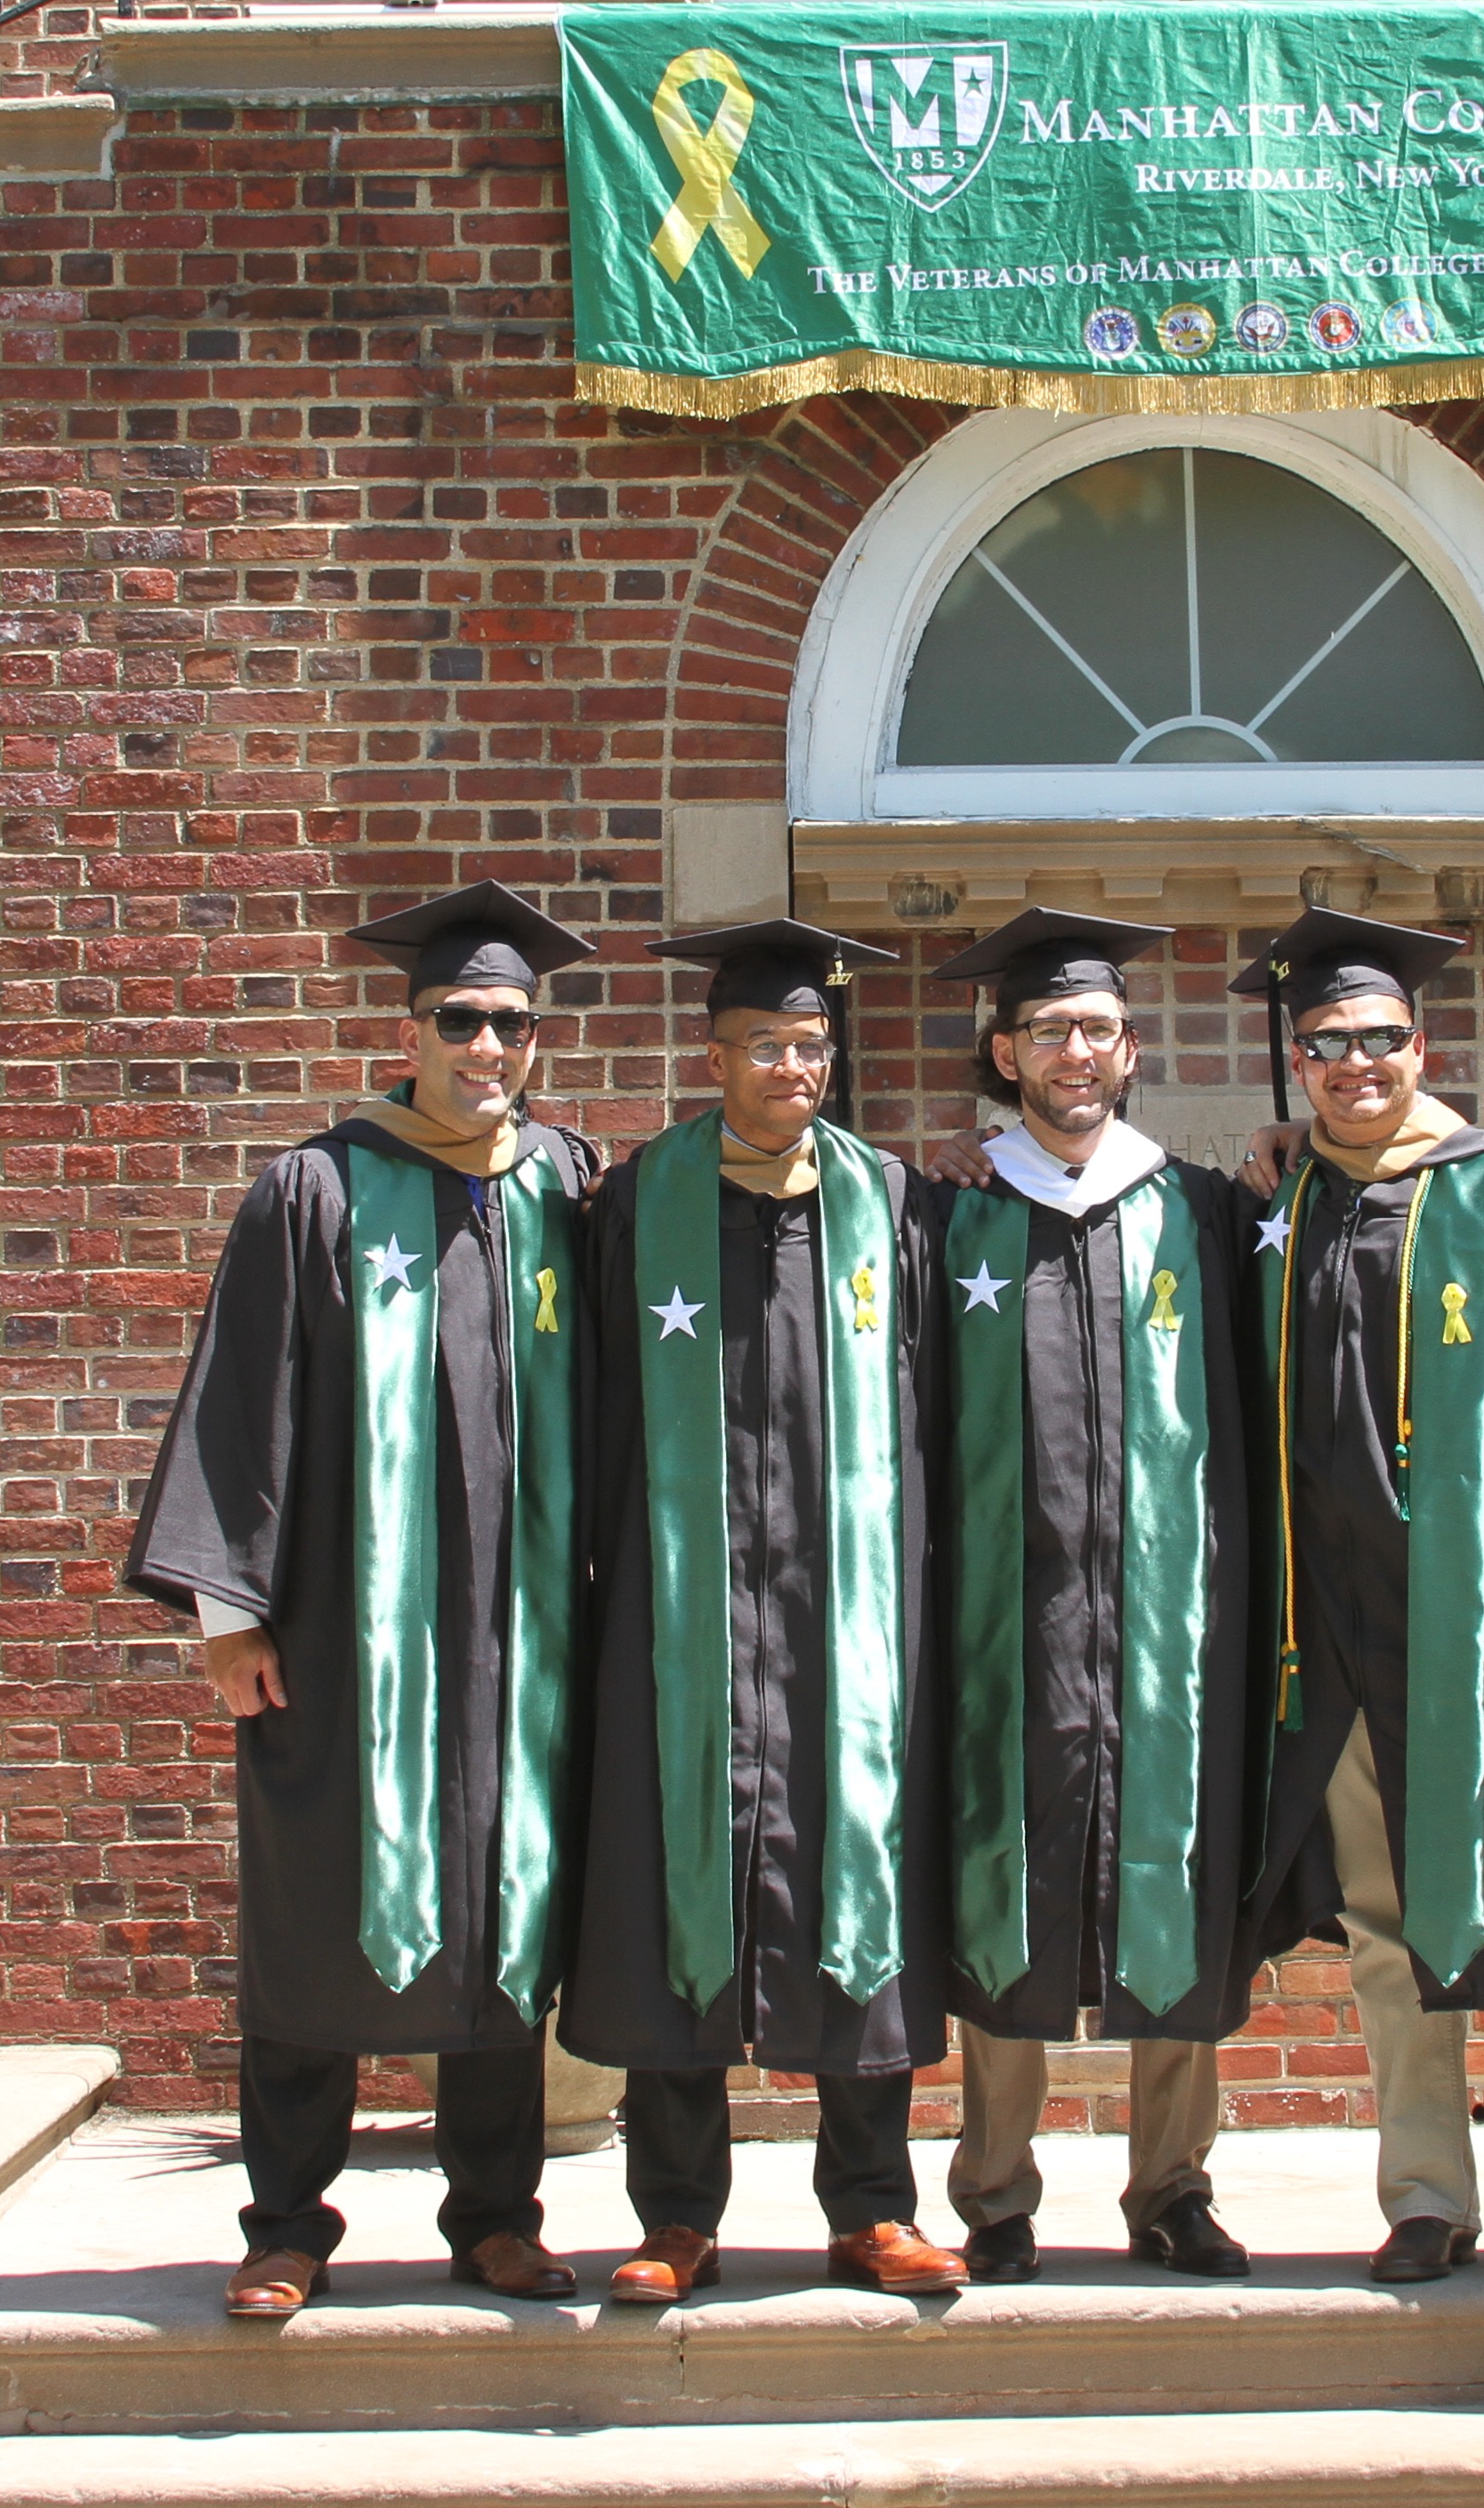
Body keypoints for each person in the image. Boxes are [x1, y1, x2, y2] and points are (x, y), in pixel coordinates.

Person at [120, 881, 604, 2322]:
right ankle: (284, 2221)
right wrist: (229, 1617)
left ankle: (496, 2214)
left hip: (527, 1639)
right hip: (345, 1635)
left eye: (511, 1023)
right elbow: (241, 1396)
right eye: (461, 1019)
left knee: (509, 1908)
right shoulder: (317, 1187)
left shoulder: (569, 1188)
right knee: (316, 1905)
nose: (487, 1046)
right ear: (412, 1027)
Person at [561, 915, 970, 2301]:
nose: (791, 1067)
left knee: (857, 1876)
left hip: (844, 1620)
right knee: (677, 1888)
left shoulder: (894, 1205)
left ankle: (871, 2209)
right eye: (762, 1046)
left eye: (809, 1045)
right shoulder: (635, 1201)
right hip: (682, 1614)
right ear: (713, 1053)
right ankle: (677, 2214)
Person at [1235, 905, 1484, 2296]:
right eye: (1329, 1043)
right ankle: (1426, 2200)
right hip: (1341, 1639)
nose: (1357, 1063)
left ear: (1426, 1043)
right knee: (1387, 1928)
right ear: (1298, 1059)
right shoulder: (1281, 1211)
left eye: (1381, 1038)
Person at [923, 908, 1266, 2286]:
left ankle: (1172, 2189)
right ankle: (996, 2198)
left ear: (1133, 1052)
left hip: (1173, 1622)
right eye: (1049, 1029)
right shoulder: (947, 1213)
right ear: (1003, 1051)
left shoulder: (1208, 1212)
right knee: (1004, 1879)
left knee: (1174, 1876)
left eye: (1099, 1029)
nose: (1077, 1051)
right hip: (1001, 1624)